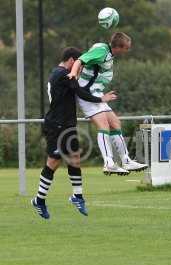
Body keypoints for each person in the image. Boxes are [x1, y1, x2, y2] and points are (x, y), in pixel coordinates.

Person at [31, 47, 117, 219]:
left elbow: (76, 90)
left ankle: (77, 196)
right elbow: (80, 92)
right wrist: (101, 99)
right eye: (78, 64)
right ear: (71, 60)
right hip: (56, 125)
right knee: (53, 162)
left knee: (75, 158)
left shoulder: (62, 73)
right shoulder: (62, 74)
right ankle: (39, 200)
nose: (79, 68)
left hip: (67, 124)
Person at [68, 32, 147, 175]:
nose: (127, 51)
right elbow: (80, 60)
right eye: (126, 48)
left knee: (115, 123)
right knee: (103, 125)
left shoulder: (108, 53)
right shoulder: (101, 51)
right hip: (87, 94)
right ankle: (108, 163)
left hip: (96, 93)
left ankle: (126, 161)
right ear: (119, 47)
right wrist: (73, 73)